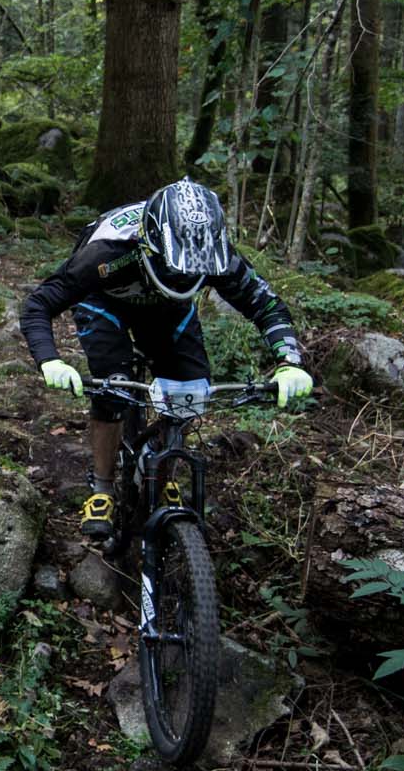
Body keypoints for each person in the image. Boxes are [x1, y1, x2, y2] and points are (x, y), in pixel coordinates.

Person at [18, 177, 313, 538]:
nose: (187, 272)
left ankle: (166, 465)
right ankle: (103, 487)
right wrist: (51, 360)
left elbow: (266, 306)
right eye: (179, 265)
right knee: (111, 388)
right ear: (152, 243)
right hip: (105, 302)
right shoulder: (109, 252)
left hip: (168, 309)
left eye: (196, 267)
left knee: (189, 388)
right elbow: (39, 304)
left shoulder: (216, 252)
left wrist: (290, 362)